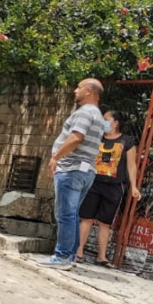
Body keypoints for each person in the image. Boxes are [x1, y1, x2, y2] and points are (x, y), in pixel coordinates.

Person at [40, 78, 107, 269]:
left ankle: (61, 257)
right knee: (72, 213)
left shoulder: (85, 113)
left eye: (78, 87)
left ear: (89, 91)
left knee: (65, 214)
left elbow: (76, 137)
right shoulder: (98, 116)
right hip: (86, 171)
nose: (74, 91)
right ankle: (70, 257)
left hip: (71, 169)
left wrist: (56, 158)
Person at [76, 110, 140, 266]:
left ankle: (102, 257)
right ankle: (78, 252)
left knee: (105, 222)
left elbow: (132, 165)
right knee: (86, 218)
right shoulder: (97, 138)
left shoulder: (128, 141)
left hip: (114, 186)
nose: (102, 122)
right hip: (93, 182)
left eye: (105, 119)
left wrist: (134, 186)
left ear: (115, 122)